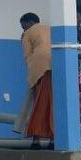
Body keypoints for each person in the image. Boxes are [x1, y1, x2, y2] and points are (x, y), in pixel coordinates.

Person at [15, 12, 54, 146]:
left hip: (40, 70)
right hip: (57, 67)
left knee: (39, 105)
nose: (23, 29)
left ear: (29, 23)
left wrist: (32, 77)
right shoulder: (51, 29)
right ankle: (53, 139)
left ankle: (36, 139)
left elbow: (27, 56)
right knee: (53, 106)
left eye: (23, 26)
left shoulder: (28, 33)